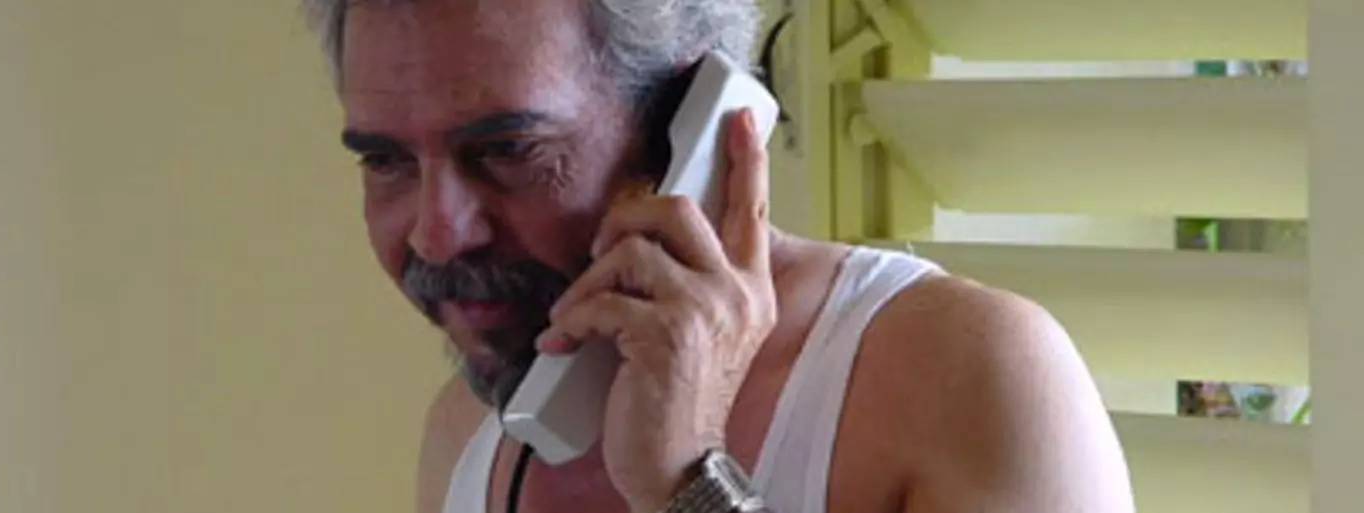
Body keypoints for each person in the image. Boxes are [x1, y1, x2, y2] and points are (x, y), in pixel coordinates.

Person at [301, 0, 1136, 512]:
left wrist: (691, 485)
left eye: (510, 149)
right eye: (386, 161)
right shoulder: (465, 437)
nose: (436, 234)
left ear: (686, 128)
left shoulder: (970, 374)